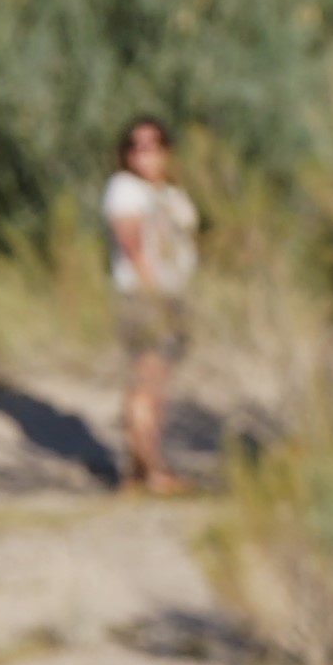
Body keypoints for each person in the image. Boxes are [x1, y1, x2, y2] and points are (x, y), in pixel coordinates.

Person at [103, 116, 199, 494]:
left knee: (156, 383)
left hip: (172, 293)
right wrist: (152, 290)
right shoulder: (124, 189)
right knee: (145, 380)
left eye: (153, 144)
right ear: (125, 153)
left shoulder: (170, 193)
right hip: (147, 297)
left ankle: (139, 467)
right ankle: (150, 469)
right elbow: (130, 242)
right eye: (135, 145)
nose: (145, 152)